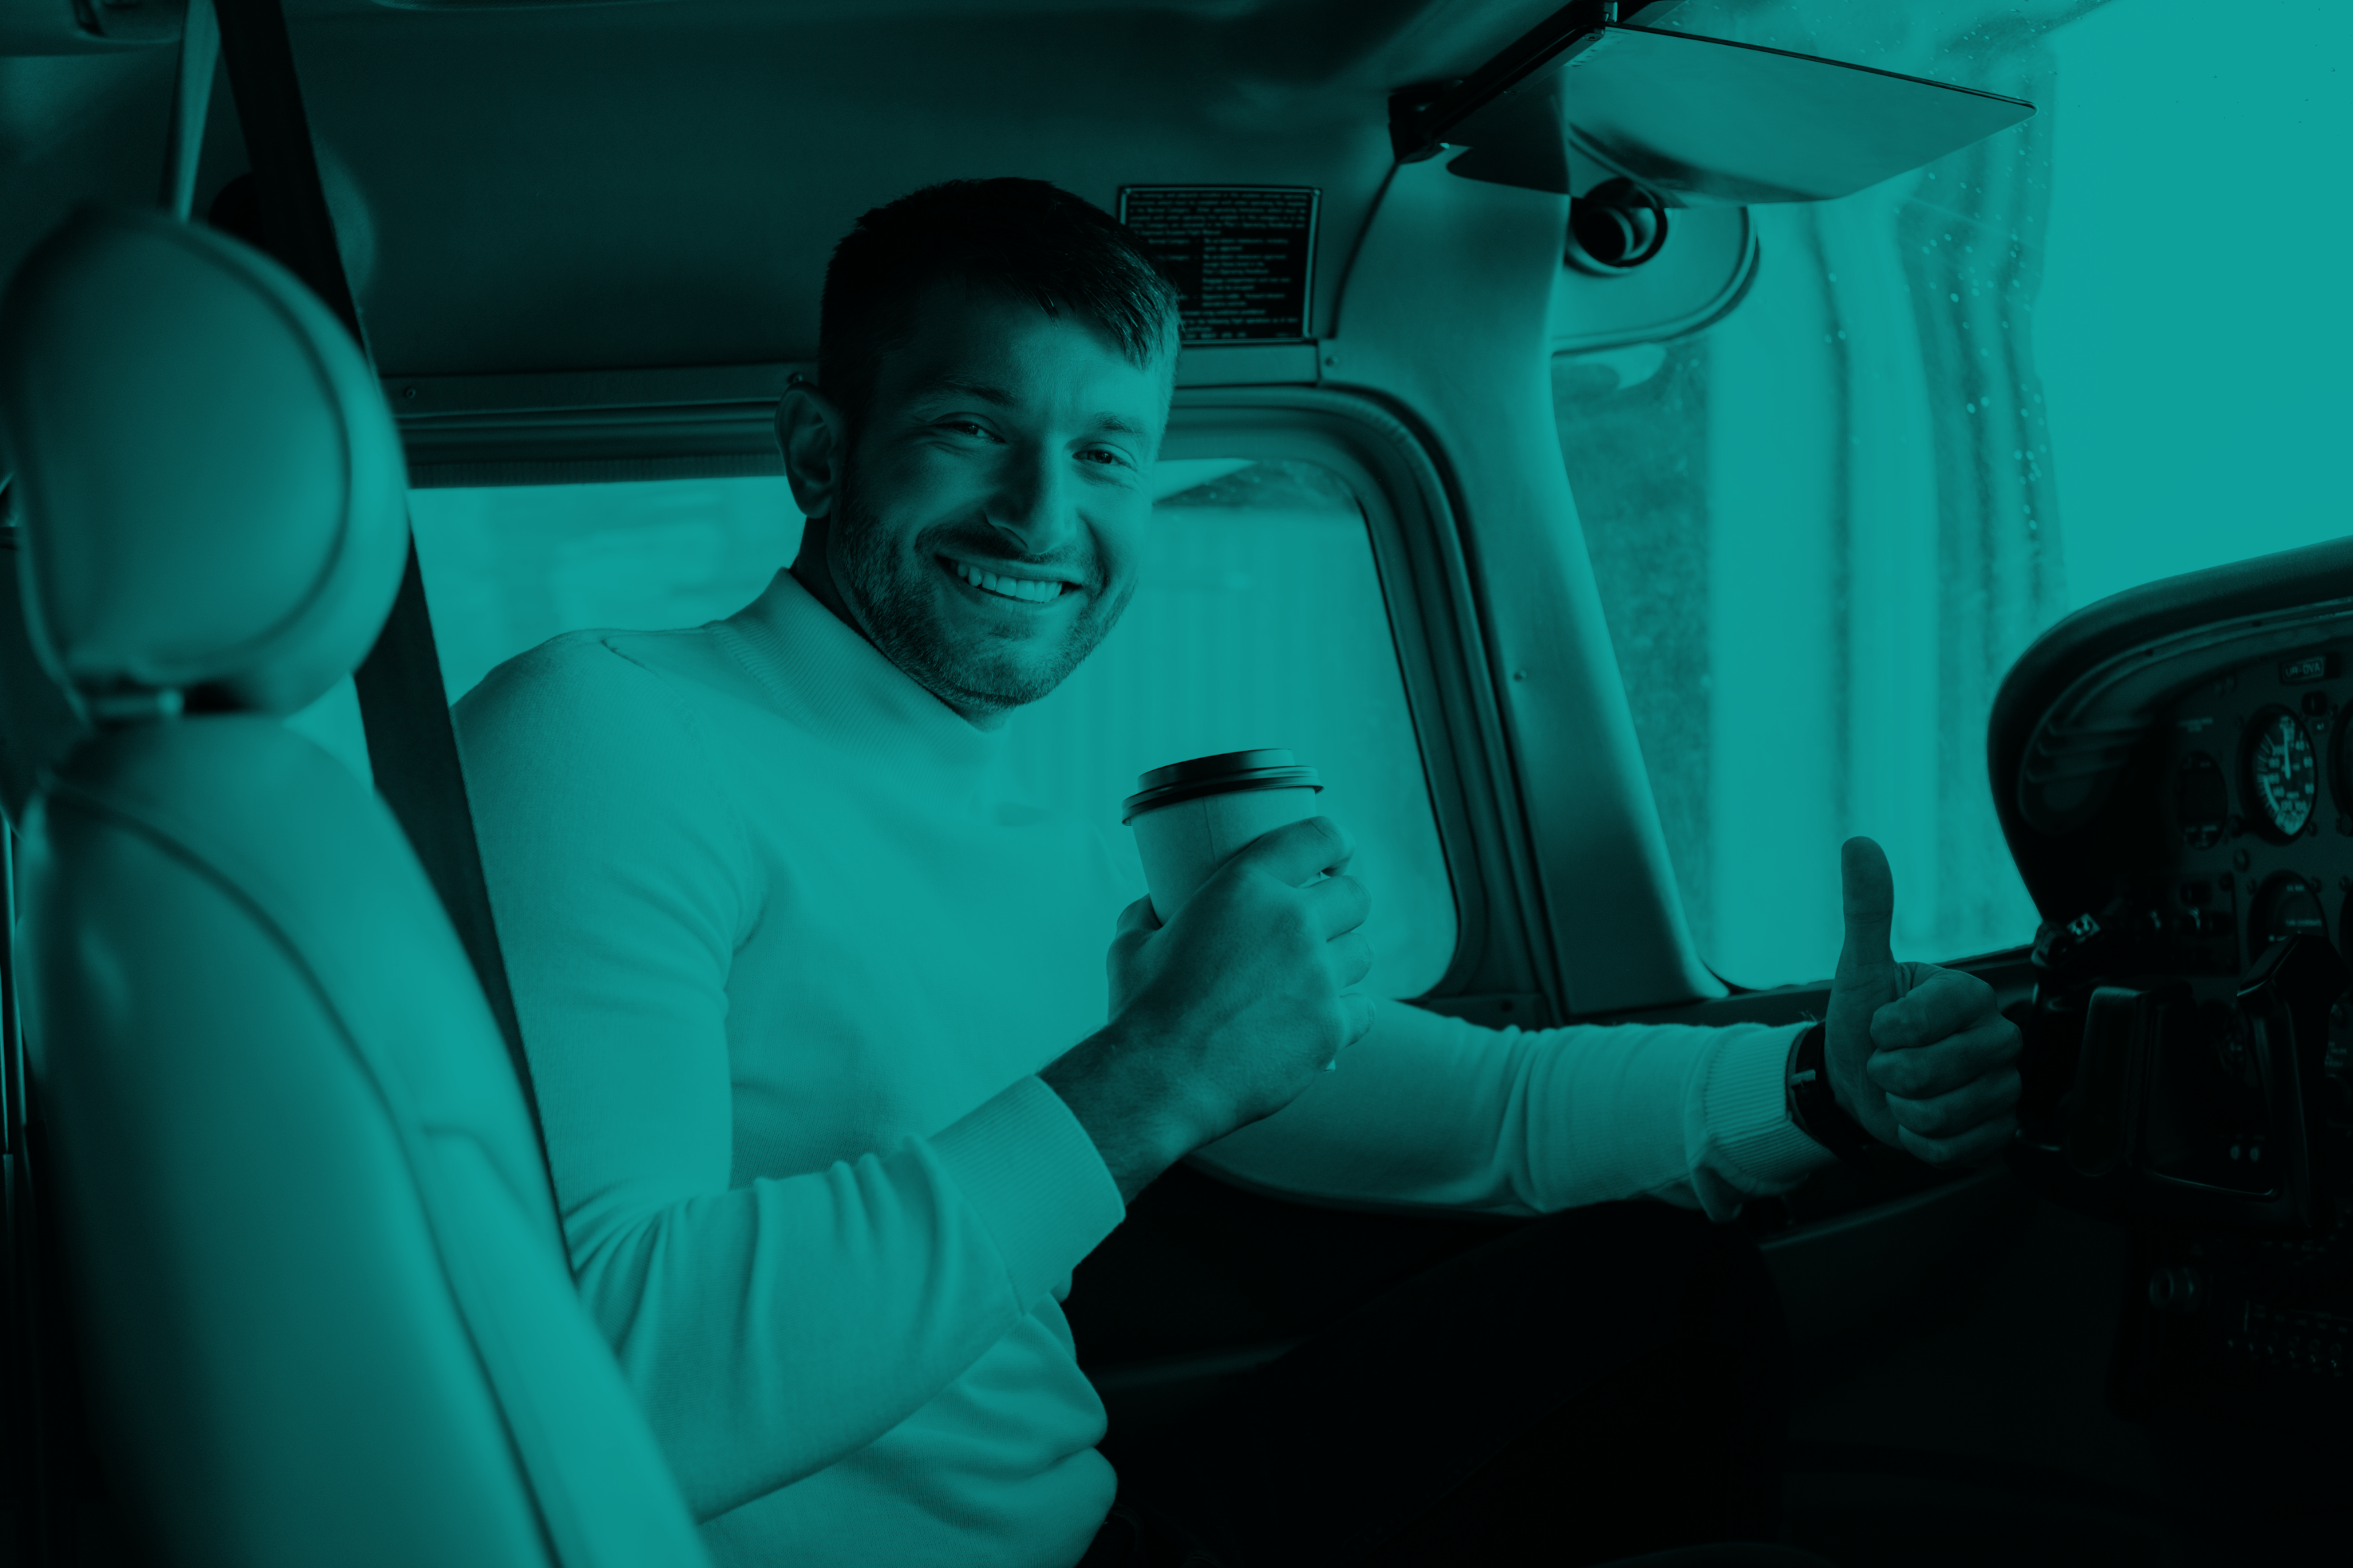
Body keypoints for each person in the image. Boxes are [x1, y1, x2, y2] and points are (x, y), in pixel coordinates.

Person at [452, 177, 2023, 1568]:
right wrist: (1156, 1070)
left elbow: (1483, 1112)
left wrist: (1825, 1079)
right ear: (818, 447)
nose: (1041, 513)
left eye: (1107, 454)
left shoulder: (1041, 855)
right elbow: (618, 1374)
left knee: (1651, 1289)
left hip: (1094, 1527)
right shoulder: (606, 729)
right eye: (968, 428)